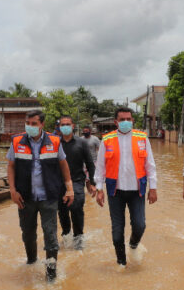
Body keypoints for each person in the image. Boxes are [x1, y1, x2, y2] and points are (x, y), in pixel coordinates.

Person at [7, 110, 74, 281]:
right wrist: (12, 191)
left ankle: (51, 274)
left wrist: (69, 188)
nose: (30, 126)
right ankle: (31, 261)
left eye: (34, 123)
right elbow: (11, 166)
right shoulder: (17, 141)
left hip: (49, 197)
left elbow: (63, 165)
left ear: (42, 124)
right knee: (27, 233)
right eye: (28, 123)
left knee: (50, 234)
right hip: (25, 198)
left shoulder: (54, 141)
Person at [94, 107, 157, 265]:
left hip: (137, 191)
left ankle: (133, 245)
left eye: (129, 119)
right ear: (116, 122)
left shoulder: (142, 138)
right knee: (117, 232)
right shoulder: (107, 139)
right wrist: (99, 189)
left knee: (140, 225)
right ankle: (121, 263)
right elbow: (100, 167)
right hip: (115, 191)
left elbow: (150, 165)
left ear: (132, 120)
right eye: (122, 120)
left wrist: (153, 188)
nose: (126, 122)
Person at [56, 115, 96, 249]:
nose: (65, 126)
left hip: (77, 181)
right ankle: (66, 236)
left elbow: (90, 164)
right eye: (63, 124)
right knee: (62, 211)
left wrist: (92, 182)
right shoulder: (55, 143)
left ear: (73, 126)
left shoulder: (81, 143)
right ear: (59, 127)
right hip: (59, 183)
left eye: (68, 124)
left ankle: (78, 239)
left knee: (77, 208)